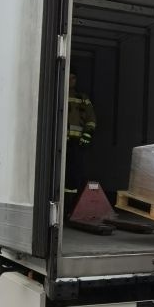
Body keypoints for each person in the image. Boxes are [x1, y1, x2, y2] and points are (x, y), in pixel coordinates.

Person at [65, 69, 97, 218]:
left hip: (77, 143)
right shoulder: (59, 94)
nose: (71, 80)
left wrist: (87, 134)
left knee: (74, 174)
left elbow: (91, 119)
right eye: (69, 77)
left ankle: (70, 208)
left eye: (74, 78)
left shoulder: (83, 98)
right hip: (60, 143)